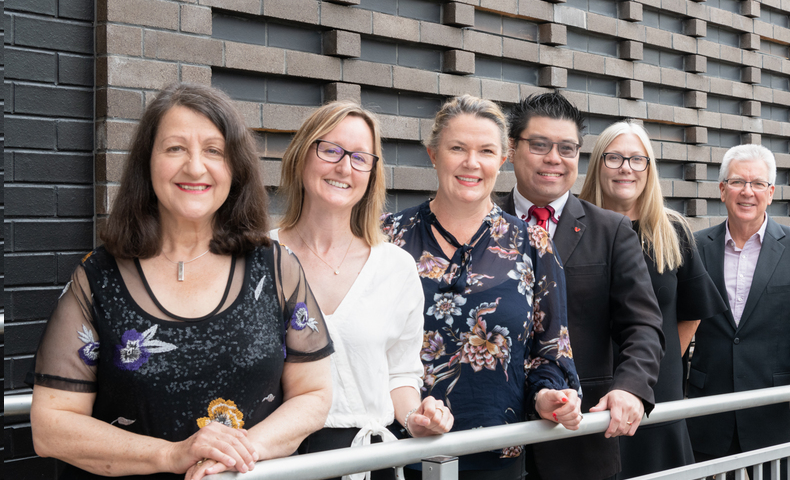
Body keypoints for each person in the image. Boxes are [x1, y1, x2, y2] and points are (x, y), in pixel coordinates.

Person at [28, 82, 334, 480]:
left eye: (213, 150)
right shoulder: (97, 280)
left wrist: (236, 454)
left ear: (235, 168)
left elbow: (314, 393)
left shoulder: (275, 267)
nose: (194, 166)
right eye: (175, 148)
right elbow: (51, 428)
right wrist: (173, 455)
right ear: (147, 162)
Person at [382, 95, 582, 480]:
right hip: (397, 453)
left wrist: (548, 398)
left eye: (486, 151)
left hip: (497, 457)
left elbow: (550, 350)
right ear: (433, 154)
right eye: (457, 148)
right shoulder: (388, 236)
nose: (471, 163)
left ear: (503, 158)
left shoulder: (533, 243)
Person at [271, 102, 452, 479]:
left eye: (359, 158)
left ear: (372, 173)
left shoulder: (395, 267)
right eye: (330, 150)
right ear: (301, 155)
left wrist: (415, 417)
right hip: (278, 459)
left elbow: (400, 373)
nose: (343, 167)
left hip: (369, 461)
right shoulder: (257, 259)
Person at [497, 92, 664, 480]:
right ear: (512, 149)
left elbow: (643, 325)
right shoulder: (483, 221)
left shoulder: (611, 230)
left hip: (580, 440)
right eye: (539, 145)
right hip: (493, 439)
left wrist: (632, 388)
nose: (554, 158)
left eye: (567, 148)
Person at [578, 121, 727, 478]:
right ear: (598, 164)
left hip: (656, 400)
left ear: (650, 168)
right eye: (614, 158)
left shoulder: (671, 232)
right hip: (588, 397)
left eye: (636, 159)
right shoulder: (573, 227)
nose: (626, 168)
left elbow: (693, 312)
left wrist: (651, 368)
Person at [687, 144, 790, 466]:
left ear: (770, 192)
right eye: (737, 182)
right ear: (722, 189)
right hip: (708, 410)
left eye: (758, 183)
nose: (748, 192)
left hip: (776, 411)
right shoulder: (694, 247)